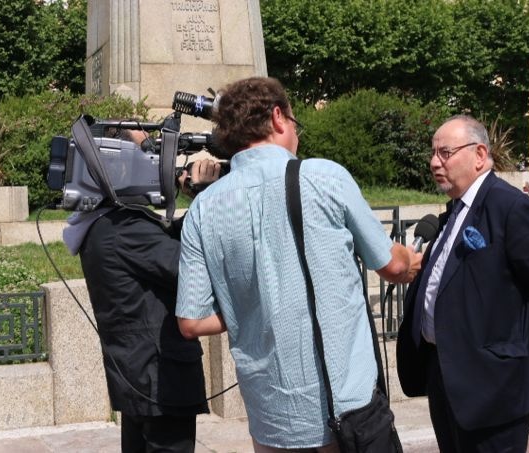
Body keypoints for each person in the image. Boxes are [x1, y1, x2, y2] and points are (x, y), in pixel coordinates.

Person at [175, 76, 421, 451]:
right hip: (344, 413)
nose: (297, 133)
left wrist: (251, 307)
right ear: (277, 118)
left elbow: (191, 323)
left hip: (270, 422)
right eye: (294, 122)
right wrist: (411, 257)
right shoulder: (323, 177)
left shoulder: (202, 209)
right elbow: (390, 266)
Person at [396, 115, 529, 452]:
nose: (435, 162)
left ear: (479, 155)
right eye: (433, 153)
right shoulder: (453, 211)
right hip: (447, 376)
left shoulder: (510, 206)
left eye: (445, 153)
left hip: (494, 384)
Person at [63, 126, 222, 453]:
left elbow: (169, 234)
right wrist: (210, 198)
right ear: (119, 167)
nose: (153, 163)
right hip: (159, 379)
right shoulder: (125, 229)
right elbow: (191, 269)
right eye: (146, 154)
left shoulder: (105, 223)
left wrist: (201, 197)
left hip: (140, 376)